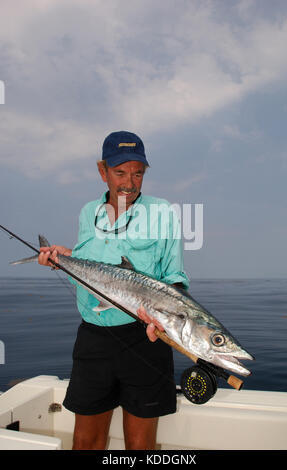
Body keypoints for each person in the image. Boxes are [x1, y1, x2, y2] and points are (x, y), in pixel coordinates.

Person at [38, 131, 189, 450]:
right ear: (102, 170)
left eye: (138, 173)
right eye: (120, 172)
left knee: (140, 445)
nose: (130, 183)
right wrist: (61, 259)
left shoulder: (162, 212)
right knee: (86, 441)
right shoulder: (87, 212)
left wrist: (168, 317)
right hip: (94, 339)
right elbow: (86, 266)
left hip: (146, 337)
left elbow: (174, 275)